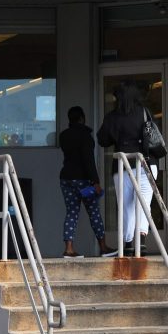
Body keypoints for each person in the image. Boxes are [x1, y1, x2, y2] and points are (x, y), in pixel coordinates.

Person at [96, 81, 163, 255]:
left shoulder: (113, 116)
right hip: (147, 163)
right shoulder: (144, 112)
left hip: (123, 165)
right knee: (143, 203)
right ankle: (141, 241)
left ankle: (128, 243)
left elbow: (103, 140)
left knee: (126, 206)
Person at [57, 106, 112, 258]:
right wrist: (96, 181)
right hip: (83, 180)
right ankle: (103, 247)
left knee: (71, 213)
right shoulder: (85, 136)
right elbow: (88, 160)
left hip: (66, 179)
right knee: (94, 212)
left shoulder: (63, 136)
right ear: (82, 118)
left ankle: (69, 248)